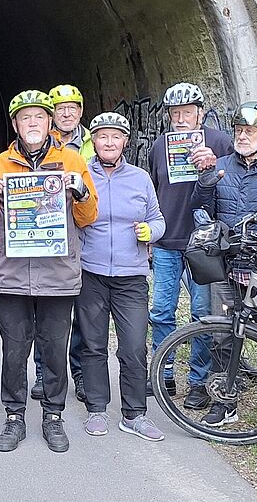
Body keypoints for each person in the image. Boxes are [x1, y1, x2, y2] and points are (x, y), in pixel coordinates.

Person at [0, 90, 98, 454]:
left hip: (57, 275)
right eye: (25, 118)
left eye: (39, 118)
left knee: (54, 348)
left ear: (50, 123)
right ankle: (15, 417)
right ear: (15, 124)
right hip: (12, 275)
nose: (33, 124)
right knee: (13, 350)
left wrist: (81, 194)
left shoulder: (73, 161)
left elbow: (88, 217)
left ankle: (53, 416)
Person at [187, 102, 257, 427]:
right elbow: (200, 208)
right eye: (238, 130)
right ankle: (225, 402)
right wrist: (206, 181)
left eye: (250, 131)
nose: (242, 136)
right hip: (226, 263)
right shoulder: (220, 165)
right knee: (223, 334)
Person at [74, 113, 169, 442]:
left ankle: (134, 414)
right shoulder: (82, 176)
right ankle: (97, 408)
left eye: (116, 137)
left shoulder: (140, 178)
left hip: (131, 277)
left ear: (125, 141)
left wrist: (150, 232)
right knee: (93, 344)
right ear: (94, 141)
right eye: (102, 137)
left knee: (132, 347)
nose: (109, 142)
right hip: (91, 273)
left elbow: (158, 220)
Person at [146, 83, 233, 408]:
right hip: (168, 239)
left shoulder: (220, 142)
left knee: (201, 313)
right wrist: (152, 237)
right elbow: (155, 191)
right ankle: (163, 373)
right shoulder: (159, 146)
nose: (181, 119)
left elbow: (230, 187)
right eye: (175, 114)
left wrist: (212, 167)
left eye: (187, 112)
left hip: (202, 243)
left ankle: (198, 381)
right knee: (162, 310)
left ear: (200, 113)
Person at [31, 84, 91, 402]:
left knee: (80, 314)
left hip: (86, 234)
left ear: (81, 111)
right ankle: (44, 373)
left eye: (73, 107)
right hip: (51, 238)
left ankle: (78, 373)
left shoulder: (96, 142)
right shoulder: (39, 145)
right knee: (47, 314)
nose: (67, 113)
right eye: (60, 108)